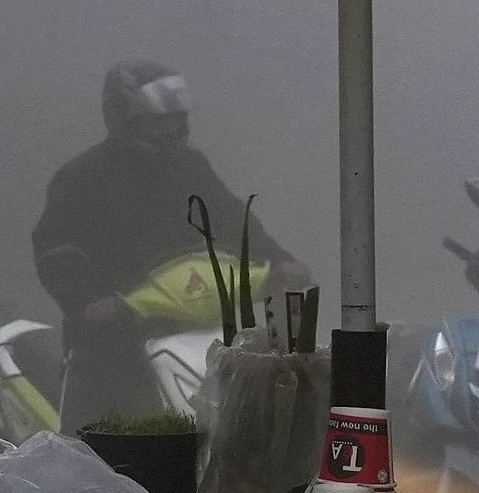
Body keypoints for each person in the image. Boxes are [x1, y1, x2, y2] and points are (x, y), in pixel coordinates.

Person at [31, 62, 306, 430]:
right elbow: (55, 248)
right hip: (117, 334)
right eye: (157, 121)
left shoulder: (191, 167)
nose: (170, 129)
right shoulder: (83, 176)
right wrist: (91, 300)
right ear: (123, 117)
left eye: (175, 120)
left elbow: (233, 220)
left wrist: (279, 261)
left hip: (194, 320)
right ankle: (81, 478)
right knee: (95, 435)